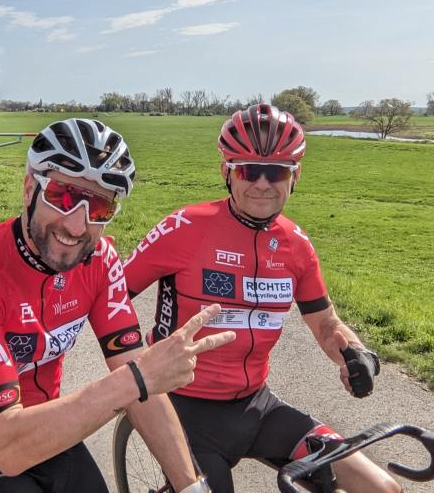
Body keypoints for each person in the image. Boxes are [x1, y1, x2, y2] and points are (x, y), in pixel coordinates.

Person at [0, 117, 233, 493]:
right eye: (62, 197)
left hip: (50, 436)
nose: (77, 226)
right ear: (29, 188)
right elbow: (8, 446)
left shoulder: (100, 260)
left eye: (99, 208)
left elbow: (142, 386)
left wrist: (192, 487)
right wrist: (139, 379)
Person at [124, 104, 402, 493]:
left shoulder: (296, 245)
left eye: (276, 172)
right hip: (183, 408)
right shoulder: (183, 228)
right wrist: (137, 369)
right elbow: (111, 299)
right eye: (248, 170)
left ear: (295, 176)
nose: (262, 184)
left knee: (381, 488)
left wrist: (357, 355)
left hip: (257, 407)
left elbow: (326, 323)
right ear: (226, 172)